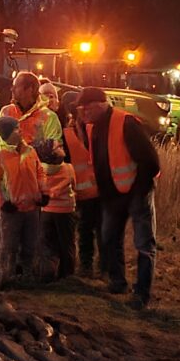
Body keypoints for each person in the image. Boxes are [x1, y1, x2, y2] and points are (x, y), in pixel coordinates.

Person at [76, 87, 160, 309]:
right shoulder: (92, 127)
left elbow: (151, 162)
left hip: (137, 194)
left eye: (86, 109)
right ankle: (117, 282)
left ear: (100, 105)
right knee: (109, 238)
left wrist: (139, 190)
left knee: (143, 242)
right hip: (113, 196)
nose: (83, 114)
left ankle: (142, 293)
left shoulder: (126, 122)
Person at [0, 115, 45, 280]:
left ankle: (26, 275)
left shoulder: (30, 151)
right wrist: (1, 203)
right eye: (17, 129)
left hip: (32, 208)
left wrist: (44, 193)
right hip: (11, 210)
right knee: (9, 245)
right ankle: (5, 276)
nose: (20, 131)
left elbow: (40, 172)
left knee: (30, 244)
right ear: (7, 133)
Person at [63, 91, 104, 277]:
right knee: (86, 229)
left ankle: (104, 266)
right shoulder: (68, 134)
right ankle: (86, 266)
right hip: (82, 192)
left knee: (103, 230)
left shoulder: (95, 129)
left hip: (101, 189)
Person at [0, 72, 64, 161]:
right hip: (8, 173)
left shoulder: (49, 117)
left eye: (16, 86)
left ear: (30, 89)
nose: (12, 89)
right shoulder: (6, 111)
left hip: (34, 173)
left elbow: (54, 152)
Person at [40, 150, 78, 280]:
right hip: (65, 211)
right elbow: (74, 185)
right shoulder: (68, 168)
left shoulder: (40, 170)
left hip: (47, 210)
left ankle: (48, 273)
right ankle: (66, 275)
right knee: (67, 243)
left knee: (49, 244)